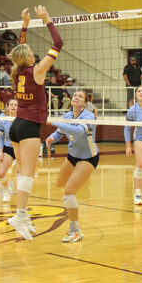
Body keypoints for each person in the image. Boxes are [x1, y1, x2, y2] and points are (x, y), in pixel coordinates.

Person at [7, 5, 63, 241]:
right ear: (28, 57)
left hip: (17, 126)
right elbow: (58, 44)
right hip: (29, 127)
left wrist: (26, 26)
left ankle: (23, 214)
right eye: (30, 51)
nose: (33, 52)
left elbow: (18, 51)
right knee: (28, 174)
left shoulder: (17, 71)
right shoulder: (37, 71)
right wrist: (47, 20)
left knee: (23, 173)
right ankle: (19, 214)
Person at [46, 91, 99, 242]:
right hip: (72, 156)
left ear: (84, 104)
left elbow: (77, 131)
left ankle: (75, 230)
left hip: (88, 158)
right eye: (74, 95)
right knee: (60, 184)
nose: (76, 97)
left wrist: (53, 121)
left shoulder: (88, 116)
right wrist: (51, 139)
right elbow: (60, 131)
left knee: (68, 192)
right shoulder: (68, 116)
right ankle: (74, 198)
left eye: (80, 97)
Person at [0, 99, 18, 203]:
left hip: (21, 149)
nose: (13, 106)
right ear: (8, 107)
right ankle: (6, 189)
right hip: (8, 148)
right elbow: (1, 138)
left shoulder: (22, 120)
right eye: (11, 105)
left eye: (16, 105)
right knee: (1, 173)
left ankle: (21, 199)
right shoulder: (3, 120)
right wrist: (0, 152)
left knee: (20, 174)